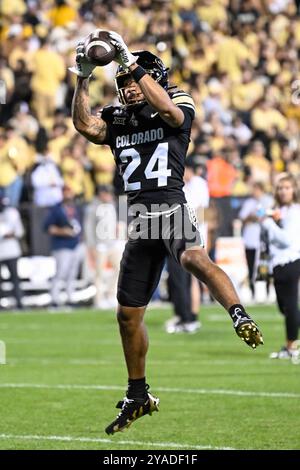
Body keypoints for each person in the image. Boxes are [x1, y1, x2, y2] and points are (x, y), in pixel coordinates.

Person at [70, 30, 263, 435]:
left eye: (133, 82)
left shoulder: (177, 102)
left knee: (193, 258)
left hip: (169, 207)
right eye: (122, 84)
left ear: (153, 77)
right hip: (140, 221)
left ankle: (238, 314)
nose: (129, 90)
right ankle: (138, 394)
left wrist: (132, 66)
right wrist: (82, 78)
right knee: (126, 316)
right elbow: (85, 126)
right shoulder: (119, 119)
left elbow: (173, 115)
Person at [259, 174, 300, 361]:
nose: (283, 191)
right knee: (283, 307)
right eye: (280, 188)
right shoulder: (276, 210)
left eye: (287, 187)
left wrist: (268, 224)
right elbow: (268, 241)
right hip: (277, 263)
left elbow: (286, 240)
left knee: (290, 306)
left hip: (292, 259)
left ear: (294, 190)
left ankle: (291, 346)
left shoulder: (295, 211)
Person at [44, 185, 84, 307]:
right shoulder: (56, 209)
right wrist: (63, 231)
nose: (68, 195)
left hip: (75, 244)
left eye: (70, 192)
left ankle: (70, 297)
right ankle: (55, 298)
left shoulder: (75, 207)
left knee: (72, 273)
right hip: (62, 245)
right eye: (66, 192)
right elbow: (48, 228)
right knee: (61, 272)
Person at [0, 190, 24, 310]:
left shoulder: (12, 213)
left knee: (15, 278)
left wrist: (10, 234)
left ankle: (19, 303)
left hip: (11, 251)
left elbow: (19, 231)